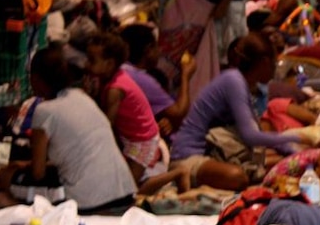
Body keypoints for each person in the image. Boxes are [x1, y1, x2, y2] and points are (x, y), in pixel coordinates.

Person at [169, 32, 309, 191]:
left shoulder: (244, 84)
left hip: (215, 153)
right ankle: (184, 177)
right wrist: (295, 139)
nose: (274, 70)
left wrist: (291, 150)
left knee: (285, 163)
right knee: (237, 177)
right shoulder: (233, 81)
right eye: (274, 64)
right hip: (188, 156)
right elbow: (250, 136)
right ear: (264, 62)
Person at [28, 45, 137, 214]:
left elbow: (37, 172)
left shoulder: (44, 111)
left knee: (6, 177)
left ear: (36, 79)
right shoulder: (81, 96)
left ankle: (10, 202)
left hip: (89, 203)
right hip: (126, 194)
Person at [86, 32, 189, 195]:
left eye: (92, 60)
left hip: (142, 140)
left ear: (109, 63)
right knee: (127, 182)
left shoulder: (115, 89)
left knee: (133, 190)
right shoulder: (111, 77)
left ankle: (178, 174)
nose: (86, 65)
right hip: (133, 137)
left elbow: (107, 124)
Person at [120, 24, 195, 139]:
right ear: (148, 50)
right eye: (156, 47)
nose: (159, 51)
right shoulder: (141, 79)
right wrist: (186, 76)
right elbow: (179, 111)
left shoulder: (123, 69)